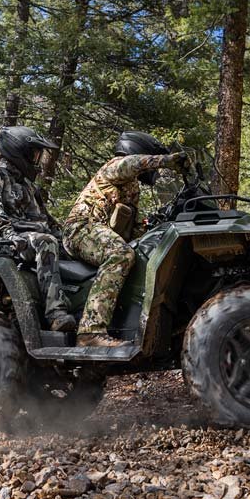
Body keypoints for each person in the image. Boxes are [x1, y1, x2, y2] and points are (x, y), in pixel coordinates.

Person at [63, 131, 188, 347]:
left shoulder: (132, 187)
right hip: (81, 228)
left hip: (99, 233)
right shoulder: (115, 166)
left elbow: (134, 228)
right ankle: (90, 332)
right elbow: (132, 164)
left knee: (141, 253)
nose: (155, 172)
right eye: (150, 162)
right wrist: (166, 161)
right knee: (120, 254)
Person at [0, 126, 77, 334]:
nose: (37, 159)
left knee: (71, 246)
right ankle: (55, 313)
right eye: (34, 153)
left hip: (30, 235)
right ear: (18, 151)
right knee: (45, 242)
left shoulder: (27, 184)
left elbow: (45, 218)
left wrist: (68, 236)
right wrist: (10, 236)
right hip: (11, 239)